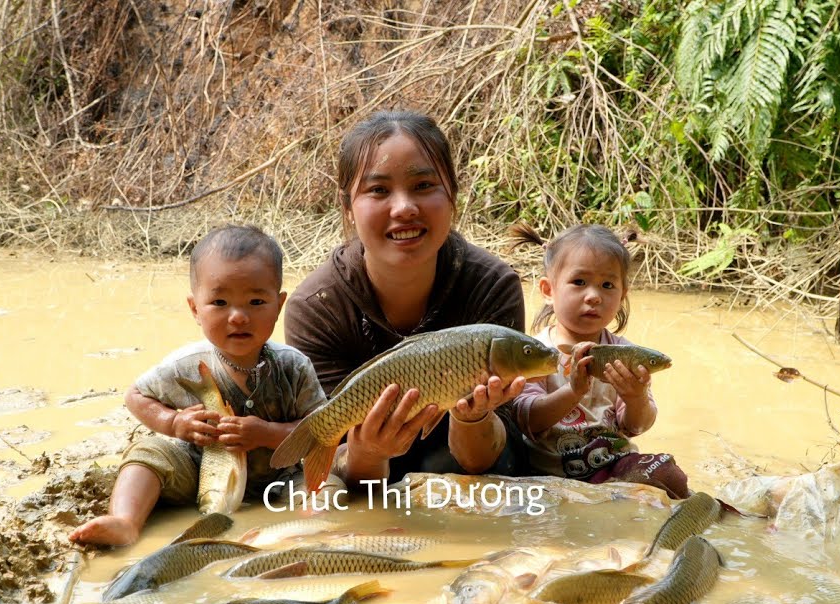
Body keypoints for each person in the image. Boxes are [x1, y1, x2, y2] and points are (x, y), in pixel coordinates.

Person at [284, 110, 526, 487]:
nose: (404, 208)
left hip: (464, 463)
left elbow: (494, 460)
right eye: (378, 190)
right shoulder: (316, 307)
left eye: (424, 185)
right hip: (366, 471)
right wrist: (368, 452)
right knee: (322, 497)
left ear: (453, 197)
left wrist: (471, 416)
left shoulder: (492, 285)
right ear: (348, 208)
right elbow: (347, 471)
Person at [70, 225, 325, 546]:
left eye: (256, 302)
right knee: (148, 452)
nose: (238, 317)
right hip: (199, 472)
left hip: (281, 479)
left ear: (279, 304)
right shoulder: (186, 364)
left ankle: (312, 531)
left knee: (329, 479)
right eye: (219, 302)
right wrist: (174, 423)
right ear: (195, 309)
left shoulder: (294, 366)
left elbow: (321, 431)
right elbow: (135, 396)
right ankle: (125, 520)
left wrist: (265, 433)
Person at [508, 222, 690, 499]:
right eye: (579, 282)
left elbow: (636, 427)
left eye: (607, 285)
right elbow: (526, 420)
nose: (594, 296)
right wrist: (574, 391)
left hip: (613, 468)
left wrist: (636, 397)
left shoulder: (627, 353)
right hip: (546, 474)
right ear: (548, 290)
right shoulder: (534, 351)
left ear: (622, 296)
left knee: (669, 475)